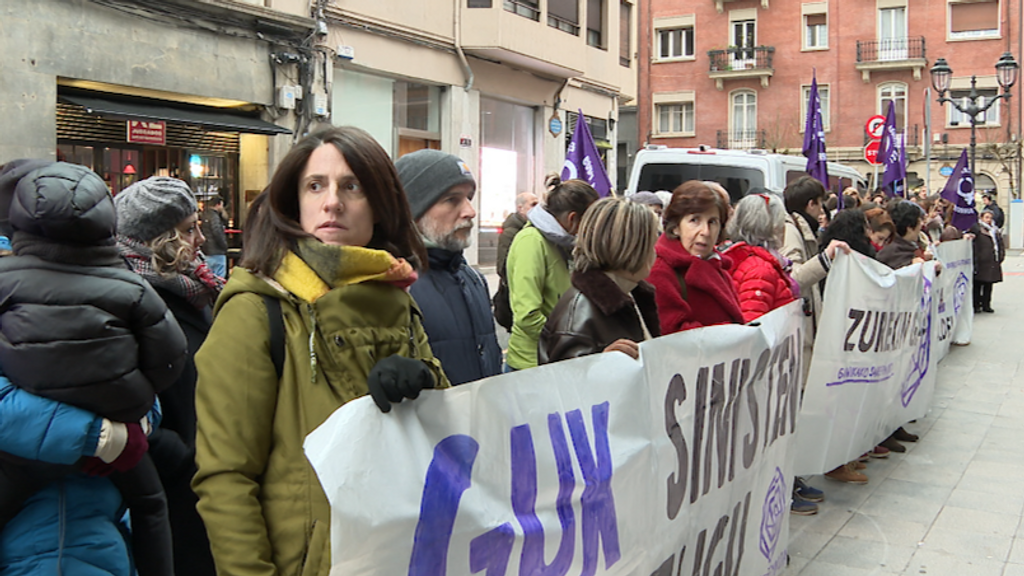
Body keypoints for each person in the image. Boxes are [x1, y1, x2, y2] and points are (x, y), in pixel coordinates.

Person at [192, 126, 450, 576]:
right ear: (295, 203)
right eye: (316, 186)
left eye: (352, 186)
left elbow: (446, 435)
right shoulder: (256, 309)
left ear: (381, 205)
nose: (332, 201)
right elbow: (226, 479)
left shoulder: (401, 302)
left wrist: (426, 381)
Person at [0, 161, 187, 576]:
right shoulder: (126, 283)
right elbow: (168, 358)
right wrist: (106, 428)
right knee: (151, 504)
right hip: (48, 529)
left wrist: (134, 417)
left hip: (95, 525)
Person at [116, 176, 224, 576]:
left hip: (202, 470)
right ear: (155, 237)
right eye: (187, 229)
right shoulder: (130, 296)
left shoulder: (194, 287)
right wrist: (178, 454)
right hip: (168, 481)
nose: (200, 238)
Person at [395, 150, 502, 385]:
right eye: (452, 200)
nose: (470, 212)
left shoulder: (473, 278)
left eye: (469, 198)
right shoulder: (396, 286)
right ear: (414, 210)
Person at [539, 197, 660, 364]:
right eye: (652, 244)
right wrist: (602, 365)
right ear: (631, 248)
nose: (655, 253)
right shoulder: (578, 315)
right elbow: (566, 384)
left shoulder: (630, 293)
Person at [504, 178, 599, 371]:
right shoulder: (532, 241)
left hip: (555, 358)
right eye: (589, 222)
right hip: (531, 363)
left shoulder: (562, 243)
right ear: (572, 219)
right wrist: (568, 340)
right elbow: (527, 315)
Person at [647, 180, 743, 333]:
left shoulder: (716, 265)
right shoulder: (660, 270)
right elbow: (674, 333)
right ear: (676, 226)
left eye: (712, 222)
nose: (705, 231)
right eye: (695, 220)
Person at [720, 192, 796, 324]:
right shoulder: (759, 270)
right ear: (772, 227)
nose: (784, 228)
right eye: (782, 221)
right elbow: (752, 327)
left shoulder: (735, 254)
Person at [494, 191, 540, 331]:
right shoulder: (510, 233)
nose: (537, 208)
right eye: (533, 204)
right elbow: (503, 268)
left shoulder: (535, 228)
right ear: (521, 208)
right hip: (515, 301)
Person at [971, 209, 1005, 314]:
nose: (989, 220)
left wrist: (1000, 256)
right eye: (986, 217)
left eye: (990, 218)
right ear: (981, 218)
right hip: (981, 260)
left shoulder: (994, 230)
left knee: (989, 284)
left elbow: (999, 244)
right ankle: (976, 305)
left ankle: (986, 304)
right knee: (978, 284)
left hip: (992, 260)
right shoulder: (977, 229)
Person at [877, 201, 928, 270]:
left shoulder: (902, 246)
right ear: (909, 228)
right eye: (919, 221)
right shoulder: (895, 254)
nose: (922, 224)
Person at [201, 195, 229, 279]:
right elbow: (217, 232)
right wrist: (224, 246)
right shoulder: (215, 217)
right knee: (219, 276)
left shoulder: (204, 215)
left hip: (207, 251)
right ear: (218, 204)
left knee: (209, 277)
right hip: (217, 251)